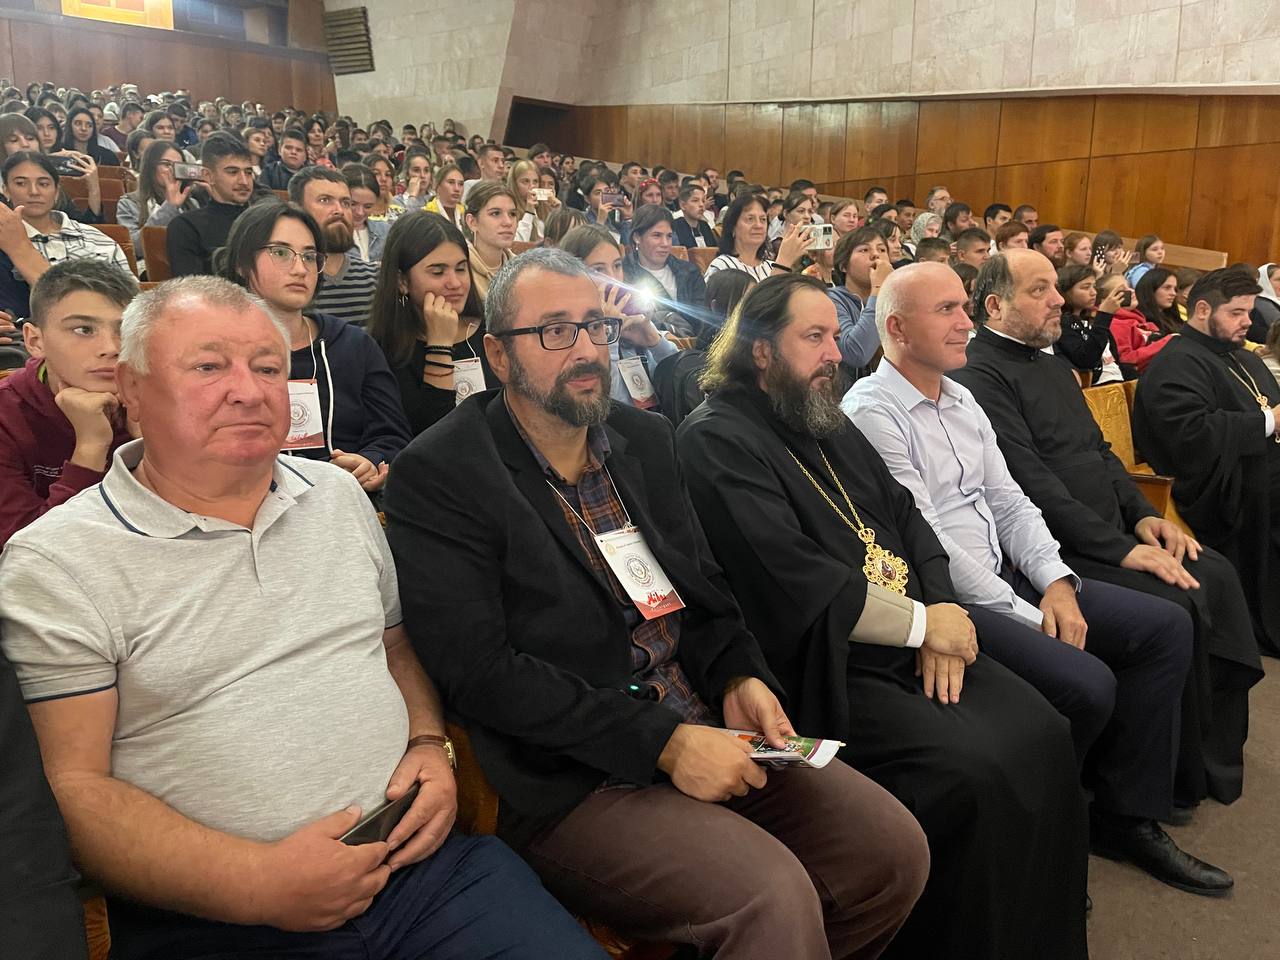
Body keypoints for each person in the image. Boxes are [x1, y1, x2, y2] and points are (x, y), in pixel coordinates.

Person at [0, 275, 605, 960]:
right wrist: (255, 882)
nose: (249, 391)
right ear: (131, 390)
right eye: (208, 367)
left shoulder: (336, 495)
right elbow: (73, 787)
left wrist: (427, 743)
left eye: (268, 368)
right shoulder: (58, 561)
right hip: (218, 918)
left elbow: (394, 646)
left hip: (422, 871)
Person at [383, 247, 930, 958]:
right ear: (497, 354)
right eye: (555, 331)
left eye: (595, 326)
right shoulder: (443, 472)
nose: (586, 349)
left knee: (890, 851)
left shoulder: (644, 439)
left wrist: (739, 674)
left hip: (702, 721)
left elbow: (706, 589)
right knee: (769, 895)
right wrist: (664, 744)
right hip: (575, 772)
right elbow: (480, 670)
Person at [676, 272, 1088, 959]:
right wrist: (924, 626)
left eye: (834, 336)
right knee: (971, 775)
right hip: (827, 660)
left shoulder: (825, 418)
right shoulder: (715, 440)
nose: (834, 353)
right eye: (813, 337)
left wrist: (941, 608)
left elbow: (910, 519)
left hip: (915, 631)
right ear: (760, 350)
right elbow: (793, 580)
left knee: (1045, 729)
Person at [844, 262, 1232, 898]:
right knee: (1087, 683)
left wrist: (1054, 581)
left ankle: (1124, 816)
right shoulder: (871, 411)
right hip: (956, 598)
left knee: (1163, 628)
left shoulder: (960, 397)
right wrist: (1027, 614)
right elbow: (927, 542)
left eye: (964, 306)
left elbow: (1011, 502)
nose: (967, 323)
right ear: (897, 328)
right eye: (946, 311)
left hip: (1012, 573)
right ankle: (1049, 828)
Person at [951, 250, 1264, 813]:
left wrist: (1144, 517)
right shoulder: (978, 375)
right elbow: (1030, 484)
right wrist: (1122, 551)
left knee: (1215, 572)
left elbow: (1099, 452)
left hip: (1111, 527)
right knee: (1178, 601)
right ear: (995, 306)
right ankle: (1142, 791)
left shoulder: (1052, 365)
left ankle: (1200, 759)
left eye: (1055, 287)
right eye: (1040, 290)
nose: (1059, 300)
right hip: (1062, 546)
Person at [1134, 267, 1280, 658]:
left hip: (1253, 467)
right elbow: (1189, 434)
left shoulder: (1238, 356)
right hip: (1214, 485)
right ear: (1202, 309)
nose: (1247, 322)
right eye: (1236, 312)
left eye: (1249, 312)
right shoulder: (1176, 362)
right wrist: (1268, 422)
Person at [215, 200, 409, 488]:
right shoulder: (214, 352)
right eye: (281, 252)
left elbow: (392, 435)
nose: (300, 269)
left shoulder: (353, 345)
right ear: (242, 263)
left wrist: (369, 460)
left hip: (341, 497)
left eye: (309, 256)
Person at [0, 261, 136, 546]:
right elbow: (24, 551)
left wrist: (149, 446)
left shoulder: (161, 399)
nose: (111, 348)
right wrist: (90, 447)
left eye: (124, 330)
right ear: (35, 341)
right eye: (84, 330)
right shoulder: (7, 414)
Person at [367, 212, 492, 435]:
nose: (455, 283)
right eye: (438, 272)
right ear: (402, 281)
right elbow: (433, 436)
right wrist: (440, 346)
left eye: (461, 269)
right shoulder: (385, 349)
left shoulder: (492, 330)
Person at [561, 223, 680, 408]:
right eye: (598, 270)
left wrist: (654, 341)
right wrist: (610, 337)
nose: (613, 278)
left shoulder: (631, 316)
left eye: (617, 266)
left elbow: (680, 382)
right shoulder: (567, 333)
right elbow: (608, 408)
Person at [0, 152, 131, 319]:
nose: (34, 191)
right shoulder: (4, 242)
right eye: (21, 183)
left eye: (43, 183)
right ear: (6, 190)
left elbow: (133, 305)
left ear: (56, 192)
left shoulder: (97, 240)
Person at [289, 165, 379, 326]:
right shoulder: (288, 281)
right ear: (297, 210)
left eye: (346, 203)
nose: (339, 210)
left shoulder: (374, 278)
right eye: (325, 200)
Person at [165, 132, 254, 276]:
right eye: (233, 172)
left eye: (248, 172)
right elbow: (192, 286)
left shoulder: (265, 220)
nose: (244, 181)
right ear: (208, 176)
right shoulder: (186, 227)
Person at [116, 140, 198, 277]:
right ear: (150, 167)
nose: (172, 170)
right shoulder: (129, 203)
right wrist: (170, 206)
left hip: (189, 270)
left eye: (178, 165)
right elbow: (135, 248)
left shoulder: (192, 203)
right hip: (149, 272)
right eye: (166, 164)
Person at [622, 204, 707, 331]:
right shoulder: (623, 275)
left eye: (669, 236)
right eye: (657, 235)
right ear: (637, 237)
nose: (665, 243)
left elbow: (704, 318)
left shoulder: (690, 271)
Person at [828, 225, 890, 375]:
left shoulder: (896, 300)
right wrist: (878, 288)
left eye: (882, 250)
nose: (876, 255)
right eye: (864, 250)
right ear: (843, 265)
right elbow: (856, 353)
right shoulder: (832, 299)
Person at [705, 193, 808, 282]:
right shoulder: (721, 267)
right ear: (733, 227)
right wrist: (782, 264)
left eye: (763, 219)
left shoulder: (770, 266)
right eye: (750, 219)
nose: (758, 225)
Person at [1055, 264, 1126, 385]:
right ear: (1065, 291)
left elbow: (1115, 359)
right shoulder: (1062, 323)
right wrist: (1104, 316)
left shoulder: (1091, 319)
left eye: (1094, 286)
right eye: (1086, 287)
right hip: (1098, 387)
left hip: (1118, 381)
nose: (1093, 292)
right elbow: (1087, 359)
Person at [464, 180, 517, 303]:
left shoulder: (522, 268)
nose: (508, 222)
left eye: (512, 214)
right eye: (495, 213)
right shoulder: (461, 270)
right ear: (472, 222)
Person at [343, 164, 389, 262]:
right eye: (353, 204)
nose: (360, 212)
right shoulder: (331, 235)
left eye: (368, 206)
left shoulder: (385, 231)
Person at [672, 183, 717, 248]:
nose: (701, 205)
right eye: (695, 200)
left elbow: (714, 250)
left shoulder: (705, 226)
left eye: (703, 201)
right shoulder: (675, 227)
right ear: (683, 205)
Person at [423, 161, 465, 230]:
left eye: (461, 184)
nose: (457, 189)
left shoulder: (466, 214)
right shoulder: (426, 215)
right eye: (451, 182)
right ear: (437, 186)